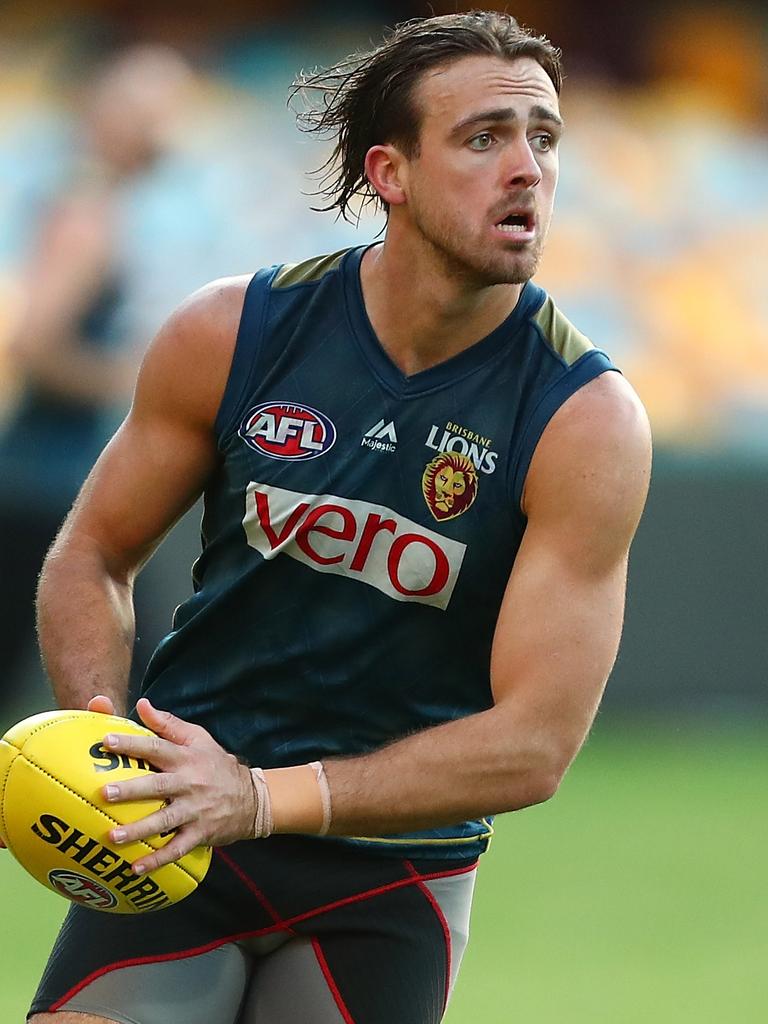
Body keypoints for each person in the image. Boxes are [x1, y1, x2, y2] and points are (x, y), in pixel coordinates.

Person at [23, 12, 651, 1024]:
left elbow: (534, 743)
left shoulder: (586, 421)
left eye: (545, 137)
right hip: (185, 826)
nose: (528, 168)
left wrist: (263, 796)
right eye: (485, 137)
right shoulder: (232, 332)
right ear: (390, 173)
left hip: (390, 876)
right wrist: (107, 745)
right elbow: (92, 553)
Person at [0, 45, 192, 721]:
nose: (166, 126)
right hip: (50, 481)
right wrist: (141, 376)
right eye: (148, 109)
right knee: (129, 687)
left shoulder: (105, 204)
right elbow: (35, 344)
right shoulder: (86, 211)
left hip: (55, 477)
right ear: (104, 112)